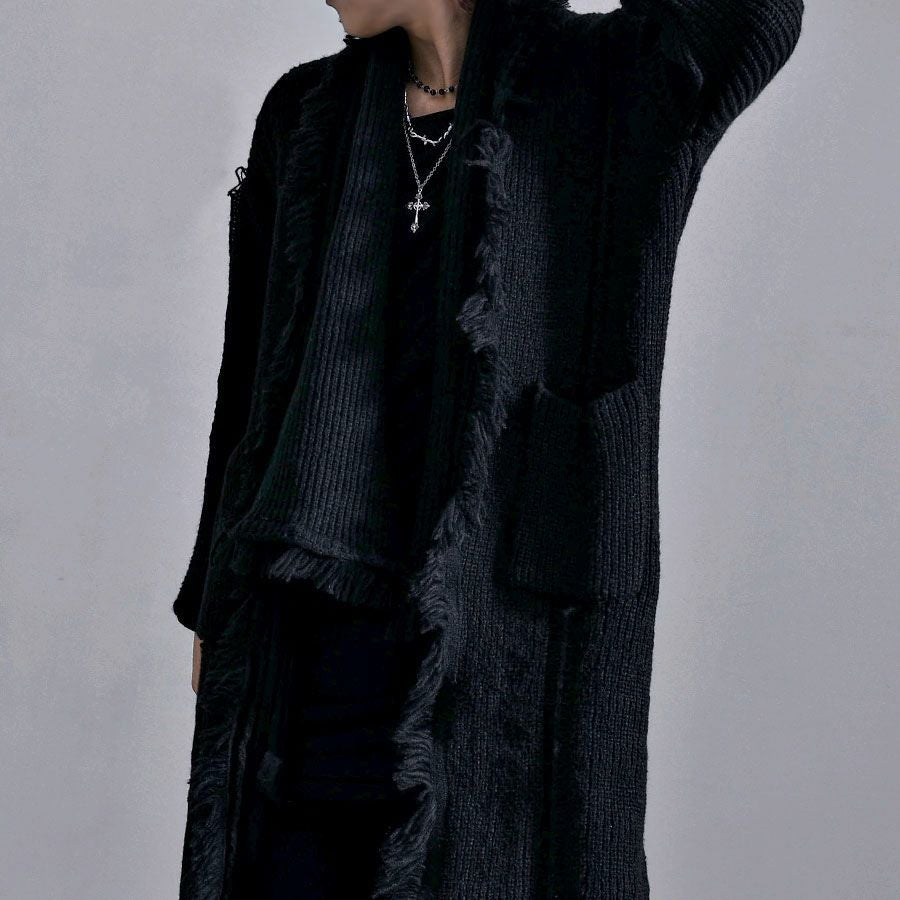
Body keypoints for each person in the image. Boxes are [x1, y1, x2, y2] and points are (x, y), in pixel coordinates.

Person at [173, 1, 805, 897]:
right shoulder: (304, 112)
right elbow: (248, 387)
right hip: (304, 648)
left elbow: (754, 16)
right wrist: (213, 601)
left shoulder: (607, 82)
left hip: (508, 638)